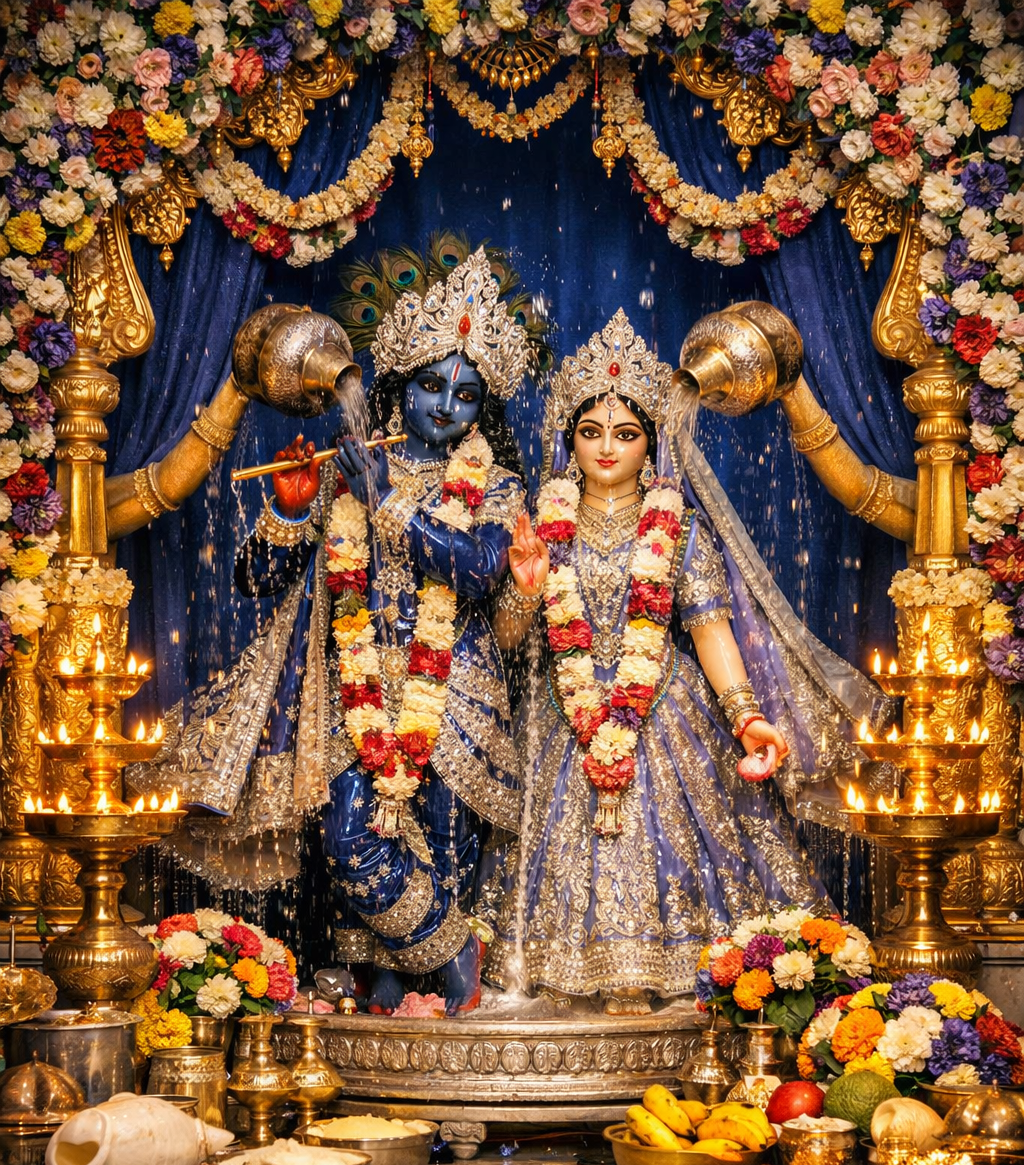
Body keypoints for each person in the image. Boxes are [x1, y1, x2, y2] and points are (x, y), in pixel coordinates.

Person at [140, 242, 545, 1015]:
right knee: (352, 841)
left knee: (444, 853)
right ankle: (457, 951)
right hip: (349, 696)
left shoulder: (495, 484)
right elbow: (258, 580)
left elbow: (478, 568)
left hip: (455, 695)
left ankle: (411, 1011)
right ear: (399, 383)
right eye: (430, 385)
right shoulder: (339, 468)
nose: (444, 409)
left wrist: (388, 497)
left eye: (465, 395)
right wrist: (292, 507)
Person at [486, 310, 887, 1014]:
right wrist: (522, 594)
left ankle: (669, 978)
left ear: (654, 442)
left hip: (664, 714)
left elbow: (710, 634)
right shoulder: (538, 519)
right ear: (566, 438)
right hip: (560, 713)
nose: (607, 448)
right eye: (590, 432)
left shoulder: (682, 527)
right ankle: (558, 981)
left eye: (626, 433)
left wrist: (748, 719)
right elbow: (512, 643)